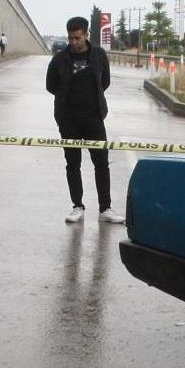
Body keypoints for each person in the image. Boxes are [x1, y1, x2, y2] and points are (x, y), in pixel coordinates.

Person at [45, 16, 124, 224]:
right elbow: (50, 85)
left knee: (101, 163)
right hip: (68, 120)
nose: (73, 42)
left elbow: (104, 82)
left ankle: (105, 208)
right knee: (72, 164)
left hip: (94, 119)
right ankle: (77, 206)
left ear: (86, 34)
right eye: (70, 38)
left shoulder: (98, 55)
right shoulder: (60, 59)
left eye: (77, 38)